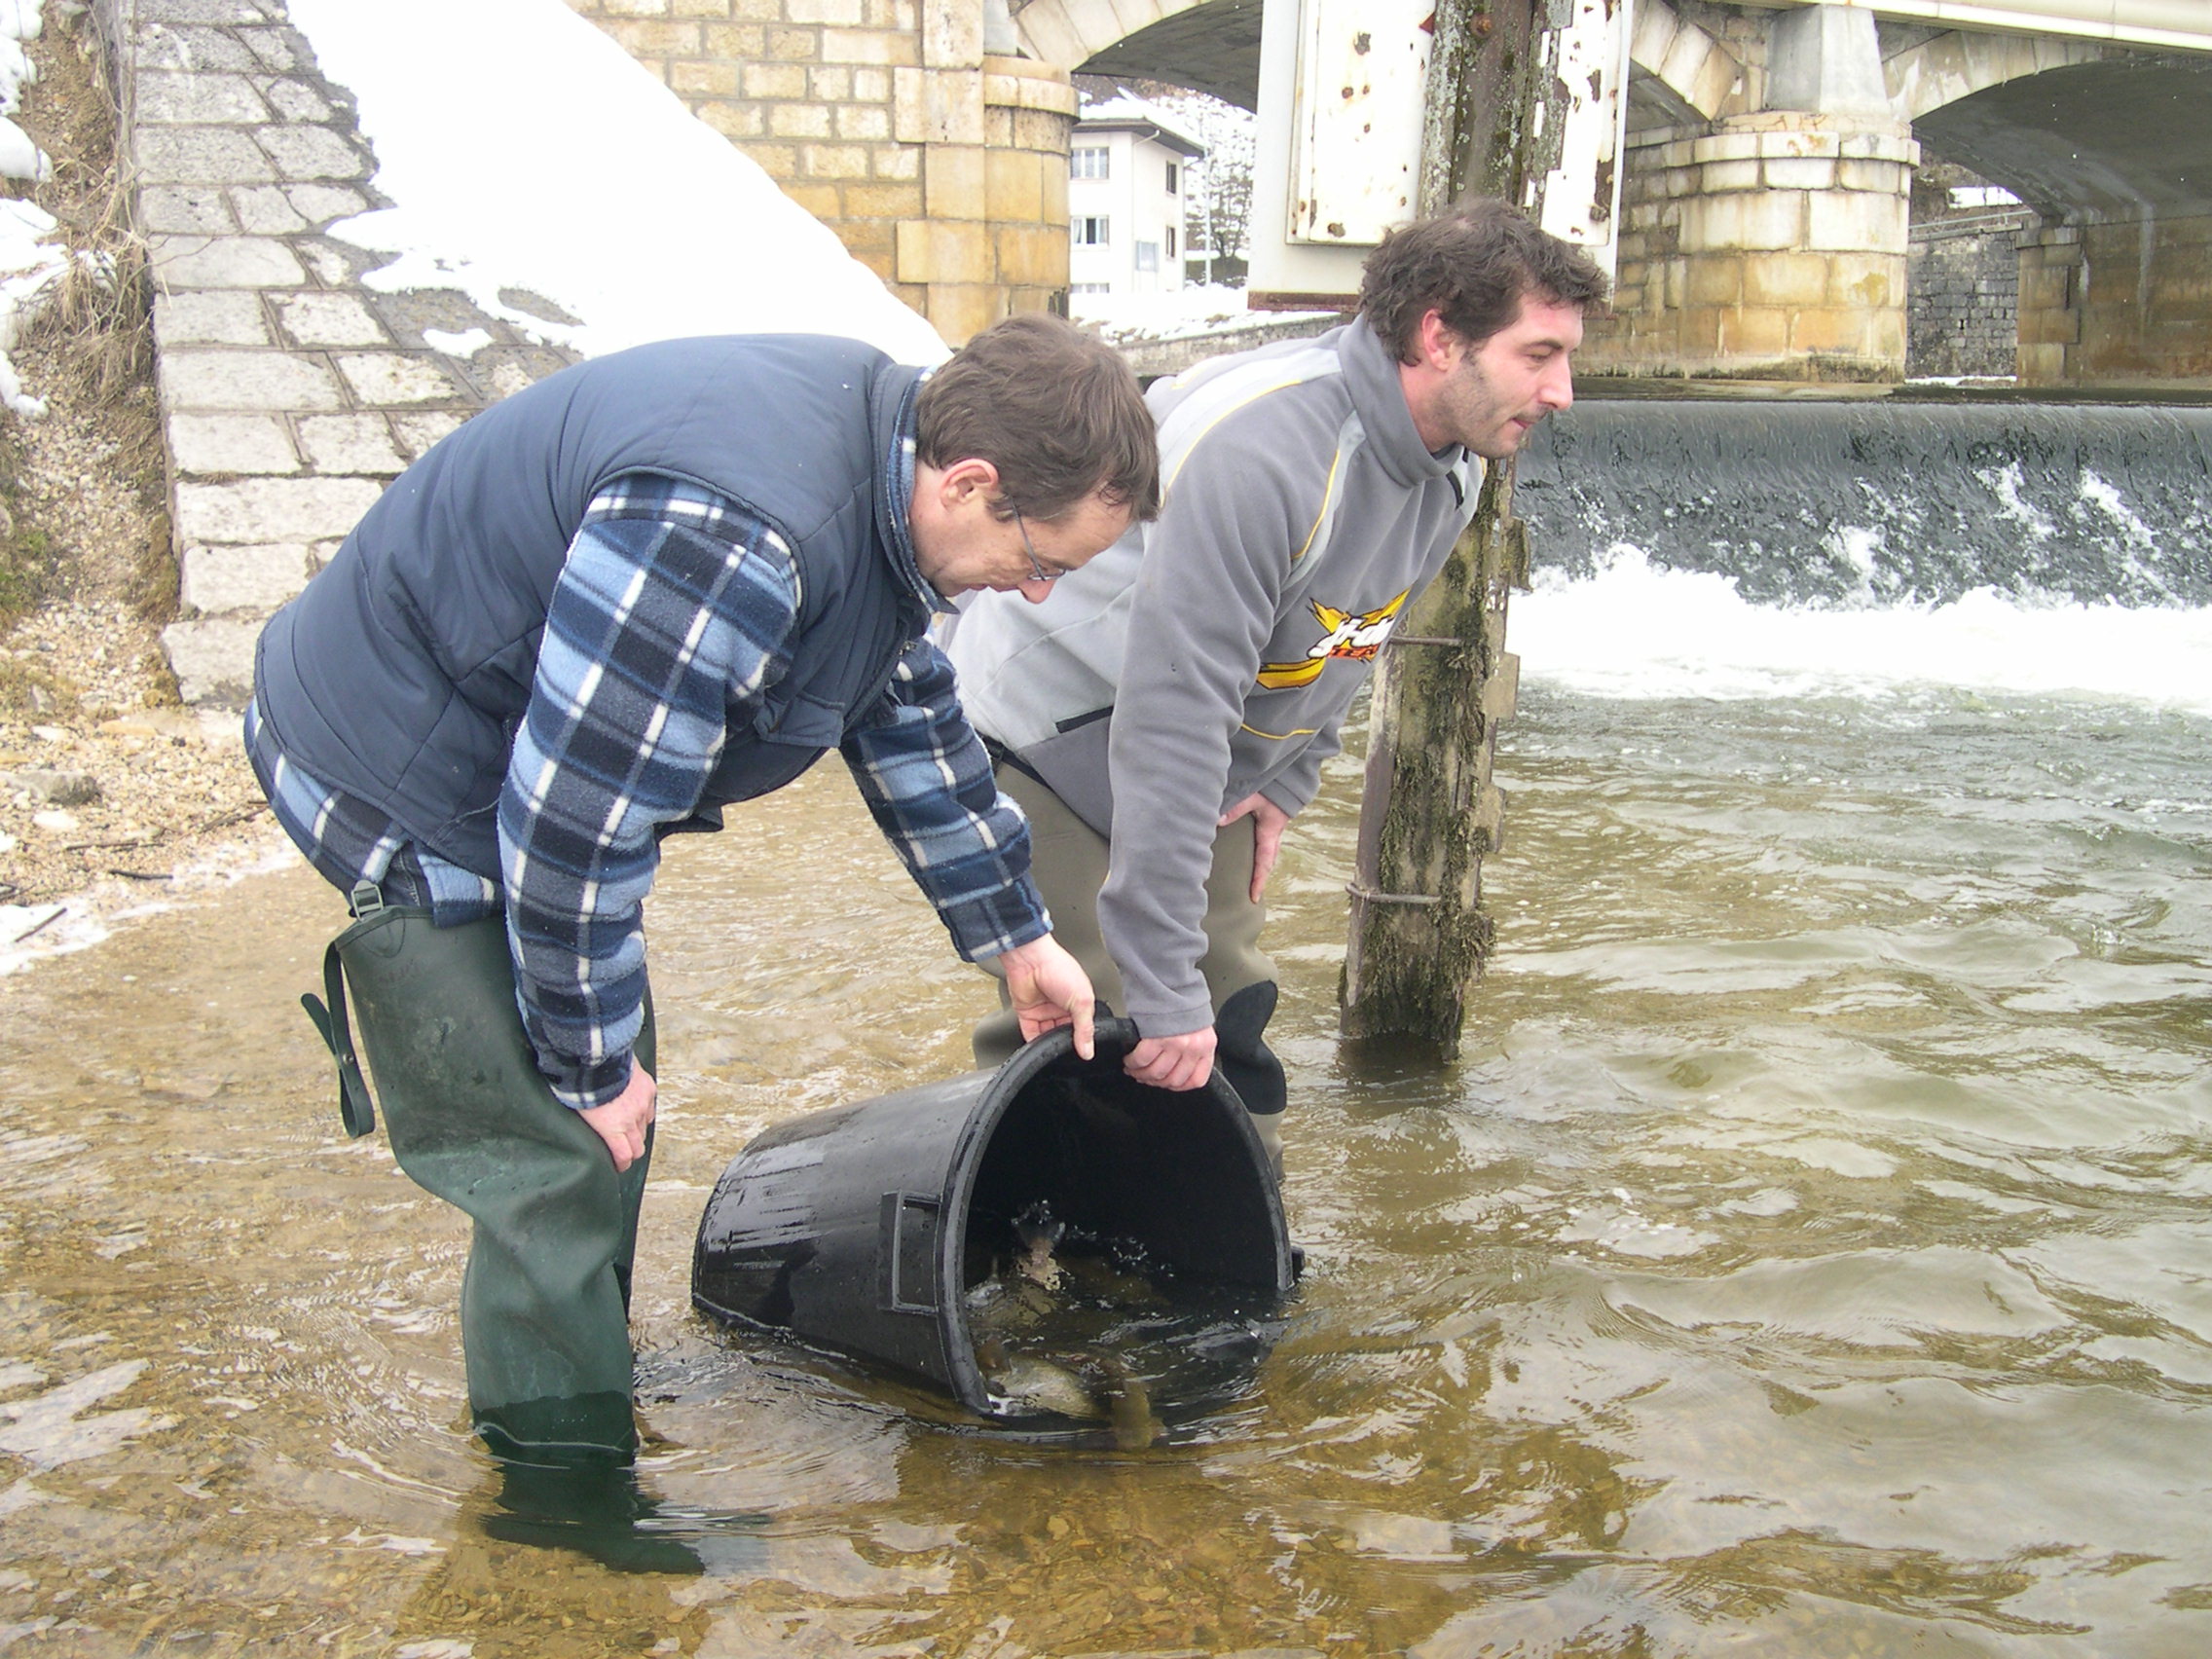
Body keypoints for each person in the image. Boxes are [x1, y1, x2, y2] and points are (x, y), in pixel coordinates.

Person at [246, 313, 1161, 1472]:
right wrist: (584, 1067)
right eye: (1041, 561)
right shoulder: (733, 537)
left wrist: (1017, 937)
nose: (1033, 594)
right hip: (386, 755)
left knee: (607, 1078)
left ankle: (588, 1372)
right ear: (970, 483)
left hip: (515, 751)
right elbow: (576, 826)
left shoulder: (892, 469)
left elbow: (900, 705)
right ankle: (564, 1495)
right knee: (561, 1141)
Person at [945, 203, 1607, 1170]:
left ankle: (1226, 1247)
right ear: (1437, 336)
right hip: (1042, 722)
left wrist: (1285, 782)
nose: (1563, 392)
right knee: (1090, 1022)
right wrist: (1162, 988)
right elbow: (1174, 722)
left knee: (1229, 1022)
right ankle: (1015, 1241)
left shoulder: (1454, 468)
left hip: (1197, 744)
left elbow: (1353, 632)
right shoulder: (1262, 453)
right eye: (1539, 354)